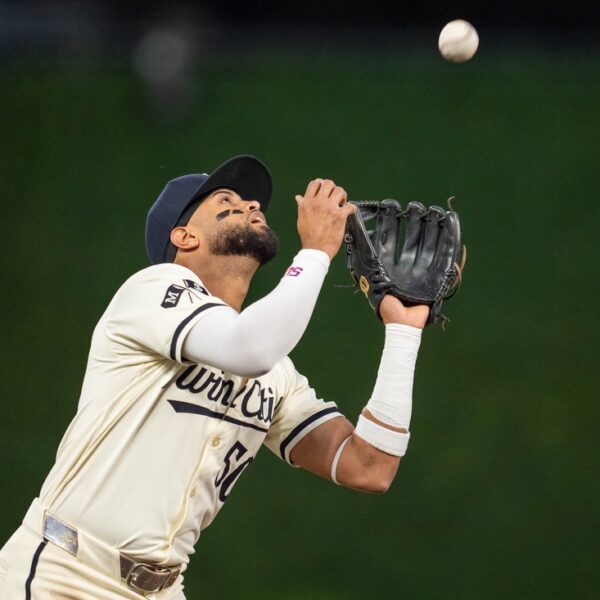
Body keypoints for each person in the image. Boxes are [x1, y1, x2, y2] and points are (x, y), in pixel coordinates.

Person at [0, 155, 429, 599]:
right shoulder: (152, 290)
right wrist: (316, 252)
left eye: (253, 203)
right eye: (227, 200)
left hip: (162, 588)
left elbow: (370, 467)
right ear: (184, 236)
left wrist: (403, 331)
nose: (251, 206)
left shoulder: (274, 372)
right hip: (65, 573)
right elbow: (249, 348)